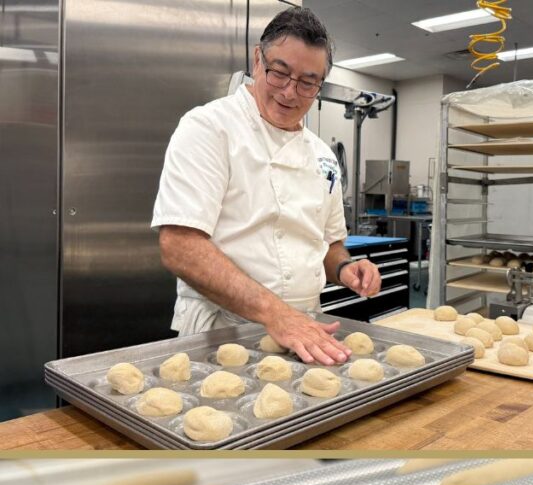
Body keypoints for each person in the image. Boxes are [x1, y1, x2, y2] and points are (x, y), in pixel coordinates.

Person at [152, 7, 380, 365]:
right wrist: (277, 315)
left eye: (308, 82)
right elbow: (179, 245)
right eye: (280, 73)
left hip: (306, 331)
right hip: (222, 332)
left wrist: (345, 268)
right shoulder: (209, 128)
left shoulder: (322, 155)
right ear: (258, 60)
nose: (290, 92)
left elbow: (328, 244)